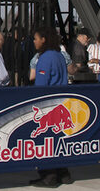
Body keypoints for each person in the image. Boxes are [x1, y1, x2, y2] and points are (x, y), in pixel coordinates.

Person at [30, 27, 71, 187]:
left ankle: (49, 175)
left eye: (36, 38)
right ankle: (63, 172)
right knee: (58, 141)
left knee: (45, 141)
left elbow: (41, 85)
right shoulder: (59, 56)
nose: (34, 41)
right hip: (61, 104)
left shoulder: (45, 58)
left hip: (48, 106)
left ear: (43, 40)